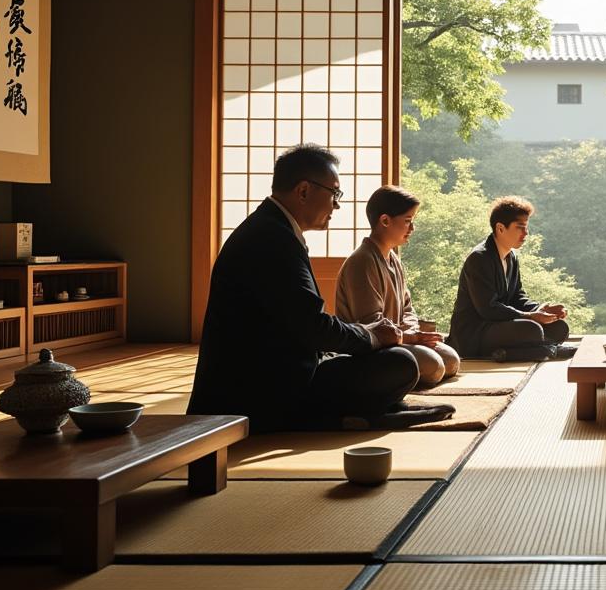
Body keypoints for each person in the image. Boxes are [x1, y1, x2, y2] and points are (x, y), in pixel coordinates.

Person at [188, 145, 452, 432]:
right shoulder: (271, 240)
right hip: (260, 391)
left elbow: (304, 324)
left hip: (274, 373)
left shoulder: (273, 230)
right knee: (399, 363)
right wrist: (372, 337)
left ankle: (367, 413)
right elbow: (313, 327)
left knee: (402, 361)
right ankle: (348, 417)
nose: (336, 205)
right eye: (334, 194)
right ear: (303, 191)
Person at [336, 185, 461, 387]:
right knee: (434, 366)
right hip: (371, 349)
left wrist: (414, 333)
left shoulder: (393, 258)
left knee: (451, 360)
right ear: (385, 221)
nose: (412, 228)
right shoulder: (362, 261)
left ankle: (407, 377)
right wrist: (412, 338)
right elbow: (372, 325)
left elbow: (407, 308)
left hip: (399, 340)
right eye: (407, 221)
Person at [448, 196, 574, 362]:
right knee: (532, 329)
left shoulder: (511, 256)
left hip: (500, 326)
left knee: (559, 327)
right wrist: (530, 317)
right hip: (476, 332)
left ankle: (523, 352)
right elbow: (488, 309)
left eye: (526, 227)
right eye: (520, 227)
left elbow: (517, 297)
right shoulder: (479, 258)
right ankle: (548, 349)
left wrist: (542, 309)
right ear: (500, 228)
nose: (526, 233)